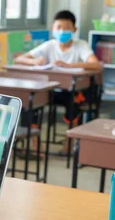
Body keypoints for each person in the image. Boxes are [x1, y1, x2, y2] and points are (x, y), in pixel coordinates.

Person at [14, 10, 101, 153]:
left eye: (66, 27)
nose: (62, 31)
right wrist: (35, 61)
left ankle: (69, 143)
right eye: (58, 27)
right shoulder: (49, 45)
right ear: (53, 28)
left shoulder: (81, 45)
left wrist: (69, 66)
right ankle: (36, 145)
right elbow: (19, 59)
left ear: (74, 29)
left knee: (74, 102)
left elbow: (95, 64)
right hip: (50, 91)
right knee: (29, 100)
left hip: (71, 91)